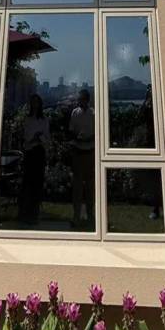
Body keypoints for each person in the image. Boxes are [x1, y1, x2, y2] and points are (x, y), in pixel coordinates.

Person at [19, 93, 49, 225]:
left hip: (39, 151)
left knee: (37, 183)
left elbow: (46, 137)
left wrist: (39, 138)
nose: (35, 104)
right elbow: (26, 137)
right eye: (33, 102)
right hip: (30, 152)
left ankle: (34, 213)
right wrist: (34, 138)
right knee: (28, 182)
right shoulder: (28, 119)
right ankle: (25, 212)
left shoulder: (44, 120)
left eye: (37, 102)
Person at [69, 88, 95, 227]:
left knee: (90, 186)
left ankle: (90, 215)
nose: (80, 101)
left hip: (90, 151)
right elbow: (71, 131)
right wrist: (78, 138)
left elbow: (97, 132)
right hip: (78, 151)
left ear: (87, 100)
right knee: (77, 187)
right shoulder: (75, 113)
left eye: (82, 99)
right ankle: (76, 216)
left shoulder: (93, 113)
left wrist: (88, 139)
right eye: (79, 99)